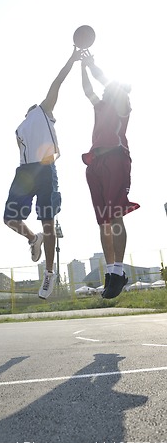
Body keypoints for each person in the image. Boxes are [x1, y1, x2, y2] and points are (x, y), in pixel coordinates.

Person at [3, 47, 82, 299]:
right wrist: (71, 58)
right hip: (27, 172)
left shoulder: (41, 115)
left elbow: (58, 82)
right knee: (10, 218)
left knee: (48, 222)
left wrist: (72, 59)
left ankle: (48, 274)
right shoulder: (27, 122)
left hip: (44, 168)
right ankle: (31, 238)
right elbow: (57, 82)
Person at [81, 51, 140, 299]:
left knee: (115, 215)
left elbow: (107, 83)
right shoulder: (101, 105)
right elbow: (87, 90)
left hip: (116, 159)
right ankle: (111, 272)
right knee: (103, 220)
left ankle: (119, 271)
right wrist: (82, 66)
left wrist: (93, 65)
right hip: (96, 164)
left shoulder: (122, 103)